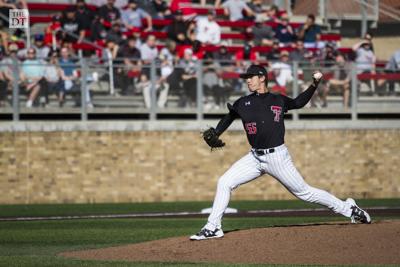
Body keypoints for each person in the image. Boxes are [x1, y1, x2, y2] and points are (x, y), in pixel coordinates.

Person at [189, 64, 372, 241]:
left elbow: (299, 103)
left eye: (250, 77)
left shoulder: (278, 99)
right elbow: (229, 117)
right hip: (254, 157)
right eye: (246, 78)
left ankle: (349, 209)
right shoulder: (243, 102)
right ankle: (213, 227)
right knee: (224, 182)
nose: (247, 81)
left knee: (305, 193)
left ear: (262, 78)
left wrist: (314, 84)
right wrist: (217, 131)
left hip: (277, 157)